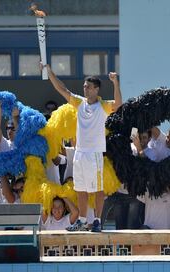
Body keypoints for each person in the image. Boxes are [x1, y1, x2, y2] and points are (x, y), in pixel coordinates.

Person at [42, 63, 122, 232]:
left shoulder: (103, 106)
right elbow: (62, 89)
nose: (85, 89)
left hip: (94, 154)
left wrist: (115, 82)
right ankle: (82, 220)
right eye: (84, 87)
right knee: (80, 189)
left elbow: (118, 104)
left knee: (98, 190)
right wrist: (49, 72)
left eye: (88, 87)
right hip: (79, 153)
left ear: (96, 89)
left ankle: (98, 221)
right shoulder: (80, 103)